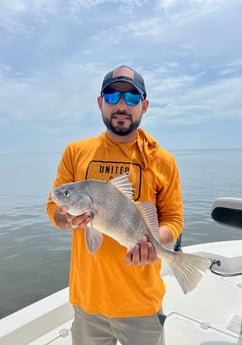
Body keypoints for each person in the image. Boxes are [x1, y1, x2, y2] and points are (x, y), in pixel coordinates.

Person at [46, 65, 184, 345]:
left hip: (141, 304)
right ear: (100, 103)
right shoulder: (75, 152)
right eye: (112, 96)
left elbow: (173, 219)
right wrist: (66, 218)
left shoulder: (162, 160)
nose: (121, 105)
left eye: (132, 98)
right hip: (87, 302)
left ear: (144, 106)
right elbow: (54, 207)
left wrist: (153, 244)